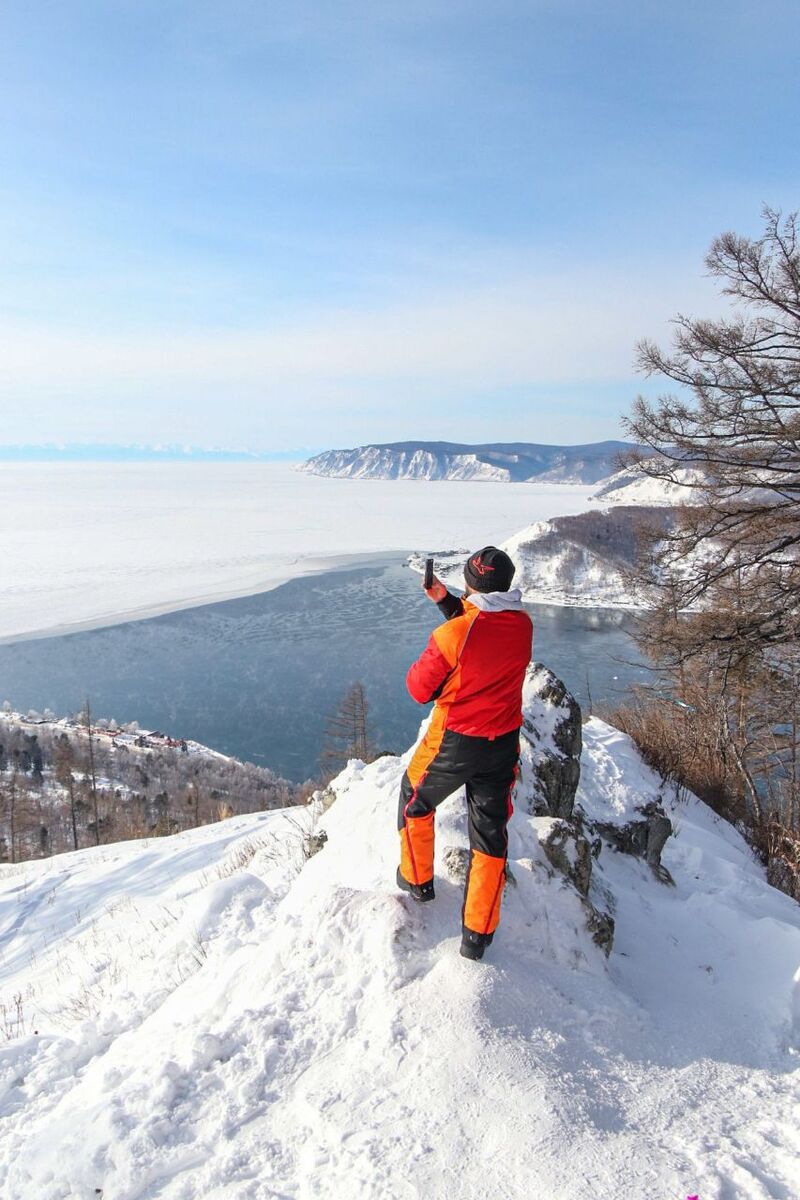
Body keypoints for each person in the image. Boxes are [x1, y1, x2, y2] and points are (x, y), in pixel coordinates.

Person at [396, 546, 533, 961]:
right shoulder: (523, 625)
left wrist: (450, 613)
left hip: (455, 741)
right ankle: (478, 934)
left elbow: (419, 689)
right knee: (490, 835)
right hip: (502, 743)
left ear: (471, 584)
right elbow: (483, 628)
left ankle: (416, 880)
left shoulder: (452, 636)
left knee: (414, 801)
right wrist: (447, 603)